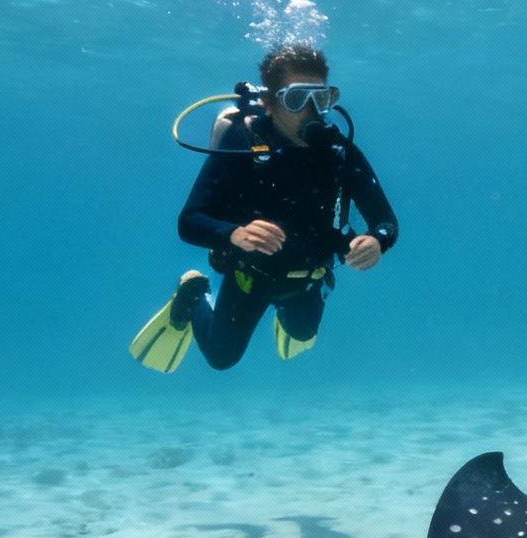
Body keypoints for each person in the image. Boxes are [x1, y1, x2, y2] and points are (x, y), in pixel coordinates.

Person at [130, 44, 398, 373]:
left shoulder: (339, 152)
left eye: (322, 98)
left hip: (308, 276)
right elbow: (189, 222)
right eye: (298, 99)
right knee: (221, 358)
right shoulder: (242, 144)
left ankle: (290, 314)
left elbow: (385, 220)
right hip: (251, 277)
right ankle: (192, 293)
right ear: (269, 104)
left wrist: (377, 241)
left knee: (303, 331)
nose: (312, 111)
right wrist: (234, 234)